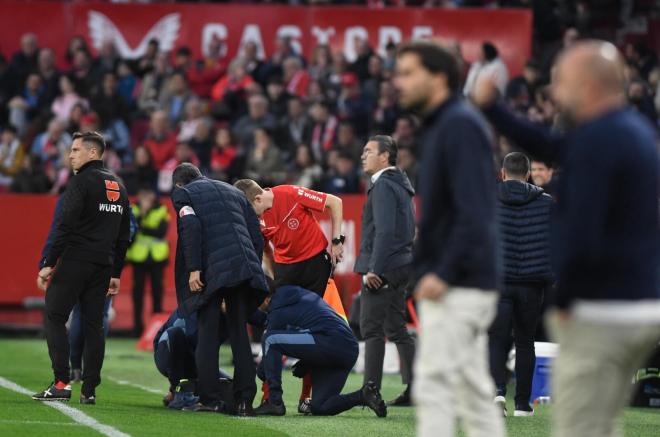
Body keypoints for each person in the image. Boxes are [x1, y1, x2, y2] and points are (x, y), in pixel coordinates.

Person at [473, 40, 660, 437]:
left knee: (581, 429)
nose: (555, 93)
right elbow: (552, 146)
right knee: (601, 424)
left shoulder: (599, 140)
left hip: (602, 311)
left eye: (563, 82)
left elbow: (584, 230)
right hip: (638, 304)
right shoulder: (629, 131)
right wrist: (495, 110)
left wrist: (566, 300)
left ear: (589, 85)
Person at [394, 41, 504, 437]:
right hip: (464, 278)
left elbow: (475, 210)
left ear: (439, 76)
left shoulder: (458, 125)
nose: (397, 82)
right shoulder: (447, 124)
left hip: (460, 281)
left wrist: (443, 270)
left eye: (407, 73)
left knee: (434, 382)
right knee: (473, 391)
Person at [33, 131, 131, 405]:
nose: (70, 155)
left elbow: (64, 226)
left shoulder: (81, 182)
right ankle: (89, 389)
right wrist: (116, 273)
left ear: (92, 153)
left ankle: (62, 382)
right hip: (103, 266)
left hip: (76, 260)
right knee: (93, 326)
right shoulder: (119, 186)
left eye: (76, 150)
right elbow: (124, 237)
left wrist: (48, 263)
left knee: (54, 314)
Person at [171, 163, 268, 416]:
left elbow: (191, 227)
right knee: (239, 332)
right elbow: (256, 234)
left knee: (208, 333)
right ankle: (245, 401)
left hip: (211, 270)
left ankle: (210, 399)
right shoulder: (234, 191)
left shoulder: (185, 194)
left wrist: (194, 269)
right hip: (243, 266)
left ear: (179, 184)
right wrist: (251, 267)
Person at [253, 284, 387, 418]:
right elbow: (308, 325)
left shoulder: (277, 308)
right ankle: (363, 395)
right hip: (348, 348)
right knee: (320, 405)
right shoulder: (295, 295)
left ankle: (274, 402)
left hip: (330, 341)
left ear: (266, 299)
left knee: (270, 339)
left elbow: (267, 358)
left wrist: (259, 371)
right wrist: (308, 360)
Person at [488, 152, 553, 417]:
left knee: (496, 340)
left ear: (503, 173)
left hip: (499, 281)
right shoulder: (547, 203)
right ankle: (523, 405)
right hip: (532, 284)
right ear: (527, 175)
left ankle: (496, 393)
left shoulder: (487, 198)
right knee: (526, 342)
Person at [355, 135, 416, 407]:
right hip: (401, 264)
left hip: (385, 267)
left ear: (385, 156)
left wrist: (373, 269)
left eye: (368, 151)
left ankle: (371, 390)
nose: (362, 155)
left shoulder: (383, 186)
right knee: (397, 328)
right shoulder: (400, 184)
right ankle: (416, 389)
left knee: (372, 328)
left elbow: (385, 231)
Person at [233, 179, 344, 297]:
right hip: (285, 268)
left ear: (258, 199)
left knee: (315, 312)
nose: (251, 216)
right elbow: (266, 250)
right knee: (282, 311)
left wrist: (336, 241)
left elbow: (335, 202)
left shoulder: (290, 193)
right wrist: (273, 276)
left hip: (315, 264)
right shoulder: (255, 220)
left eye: (250, 212)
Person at [125, 186, 170, 336]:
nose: (145, 199)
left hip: (157, 258)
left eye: (148, 195)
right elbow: (131, 230)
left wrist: (142, 226)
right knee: (137, 294)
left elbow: (161, 232)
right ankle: (137, 329)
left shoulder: (161, 209)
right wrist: (143, 215)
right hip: (139, 258)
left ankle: (157, 329)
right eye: (142, 195)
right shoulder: (134, 209)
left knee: (158, 293)